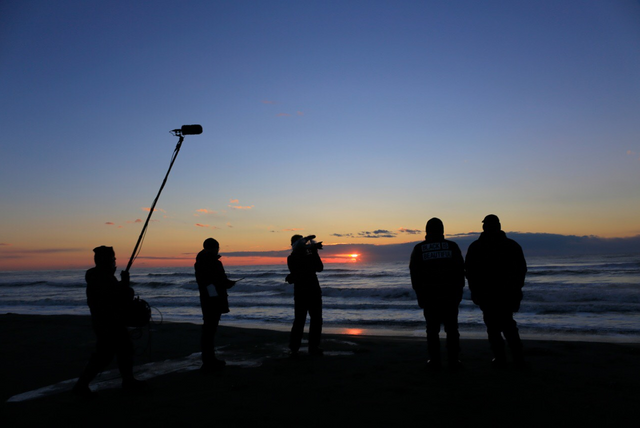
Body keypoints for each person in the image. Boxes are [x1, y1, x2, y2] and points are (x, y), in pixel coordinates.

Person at [73, 246, 147, 396]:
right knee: (104, 355)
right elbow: (119, 297)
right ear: (106, 260)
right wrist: (125, 283)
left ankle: (127, 380)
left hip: (106, 321)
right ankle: (82, 385)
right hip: (108, 322)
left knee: (123, 350)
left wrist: (121, 282)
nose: (115, 261)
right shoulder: (103, 278)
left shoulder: (99, 276)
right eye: (113, 259)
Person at [465, 214, 527, 368]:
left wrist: (475, 291)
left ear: (484, 227)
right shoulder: (511, 245)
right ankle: (515, 357)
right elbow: (521, 271)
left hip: (489, 294)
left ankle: (500, 358)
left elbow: (470, 273)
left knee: (494, 326)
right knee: (508, 324)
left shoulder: (476, 247)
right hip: (505, 293)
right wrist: (517, 290)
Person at [409, 218, 465, 370]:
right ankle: (453, 360)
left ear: (427, 231)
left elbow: (415, 274)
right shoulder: (452, 246)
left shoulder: (419, 249)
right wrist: (459, 292)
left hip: (430, 297)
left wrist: (420, 295)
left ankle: (434, 361)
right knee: (452, 329)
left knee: (432, 330)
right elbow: (460, 272)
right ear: (442, 230)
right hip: (450, 296)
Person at [194, 238, 238, 372]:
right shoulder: (211, 262)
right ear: (213, 248)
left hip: (208, 298)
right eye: (217, 248)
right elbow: (215, 281)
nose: (218, 250)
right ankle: (208, 361)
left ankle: (209, 359)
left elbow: (211, 281)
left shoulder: (201, 261)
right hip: (212, 299)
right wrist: (227, 284)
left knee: (209, 329)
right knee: (209, 329)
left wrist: (224, 283)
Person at [286, 234, 324, 357]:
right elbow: (318, 268)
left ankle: (295, 348)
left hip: (303, 292)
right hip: (310, 291)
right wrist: (313, 251)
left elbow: (319, 268)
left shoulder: (293, 257)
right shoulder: (294, 257)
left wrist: (313, 251)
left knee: (303, 320)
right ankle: (312, 347)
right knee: (312, 320)